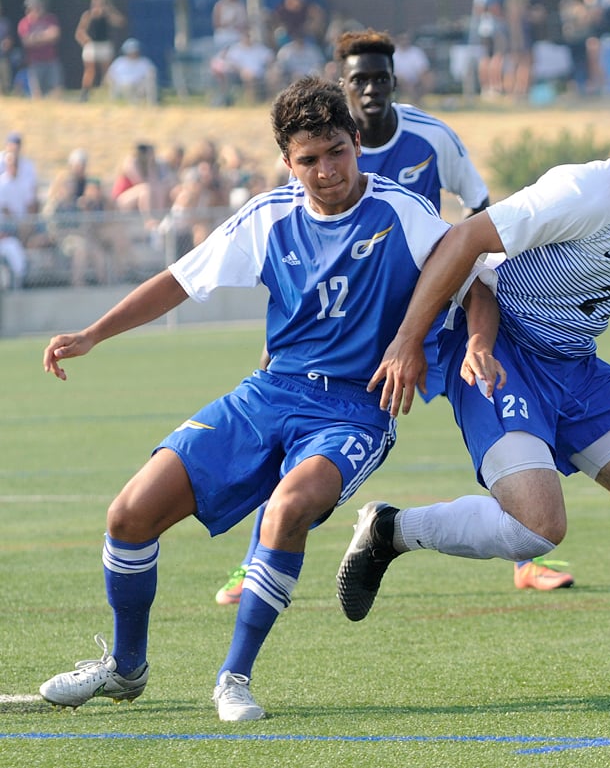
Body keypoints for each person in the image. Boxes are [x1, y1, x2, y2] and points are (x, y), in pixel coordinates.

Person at [38, 75, 453, 722]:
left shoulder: (403, 210)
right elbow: (179, 281)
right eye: (309, 159)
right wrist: (94, 333)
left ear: (355, 146)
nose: (327, 170)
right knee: (128, 513)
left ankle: (234, 676)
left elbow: (472, 267)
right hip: (268, 391)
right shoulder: (268, 218)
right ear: (288, 164)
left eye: (337, 151)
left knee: (286, 508)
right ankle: (125, 667)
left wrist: (431, 340)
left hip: (353, 408)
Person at [337, 75, 610, 686]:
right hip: (499, 348)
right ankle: (391, 529)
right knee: (535, 529)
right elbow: (466, 239)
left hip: (573, 363)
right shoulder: (590, 190)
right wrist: (408, 341)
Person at [213, 28, 571, 606]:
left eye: (380, 78)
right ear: (343, 85)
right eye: (359, 80)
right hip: (354, 330)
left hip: (442, 318)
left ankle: (525, 555)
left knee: (503, 412)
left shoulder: (433, 137)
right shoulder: (319, 157)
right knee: (293, 432)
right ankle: (255, 560)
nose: (371, 89)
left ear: (394, 81)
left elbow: (481, 215)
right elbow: (298, 252)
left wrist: (489, 305)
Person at [75, 0, 125, 101]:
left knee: (107, 71)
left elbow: (120, 22)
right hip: (92, 45)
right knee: (90, 70)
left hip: (105, 45)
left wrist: (110, 10)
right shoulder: (88, 15)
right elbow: (80, 32)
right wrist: (86, 41)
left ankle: (108, 93)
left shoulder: (108, 15)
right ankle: (85, 94)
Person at [17, 0, 63, 98]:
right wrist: (45, 36)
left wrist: (35, 38)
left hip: (51, 60)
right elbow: (27, 42)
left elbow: (55, 35)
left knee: (57, 89)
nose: (38, 9)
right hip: (34, 63)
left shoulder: (50, 19)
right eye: (35, 7)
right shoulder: (24, 23)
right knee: (37, 93)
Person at [104, 37, 158, 105]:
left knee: (150, 83)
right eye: (131, 51)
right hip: (122, 86)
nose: (133, 53)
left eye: (134, 51)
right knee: (127, 86)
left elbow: (152, 73)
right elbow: (109, 75)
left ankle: (152, 104)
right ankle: (118, 103)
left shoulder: (144, 62)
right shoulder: (119, 62)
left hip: (139, 87)